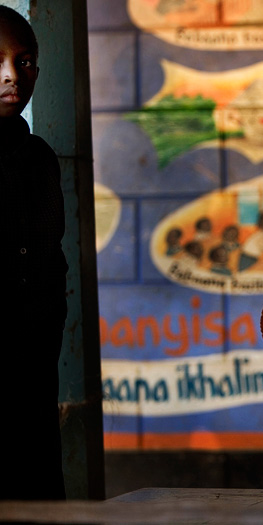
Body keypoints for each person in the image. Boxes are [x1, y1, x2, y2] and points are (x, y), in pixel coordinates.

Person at [0, 6, 68, 500]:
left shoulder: (40, 161)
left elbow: (51, 265)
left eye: (24, 62)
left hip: (31, 379)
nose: (11, 76)